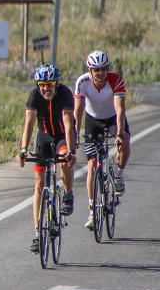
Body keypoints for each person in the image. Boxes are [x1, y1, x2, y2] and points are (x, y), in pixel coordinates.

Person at [18, 65, 76, 253]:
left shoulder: (65, 94)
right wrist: (24, 149)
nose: (46, 88)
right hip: (44, 136)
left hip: (62, 136)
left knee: (64, 159)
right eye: (42, 85)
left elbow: (68, 123)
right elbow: (29, 124)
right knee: (38, 184)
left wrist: (70, 150)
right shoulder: (34, 96)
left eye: (50, 84)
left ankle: (67, 194)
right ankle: (37, 234)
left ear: (56, 84)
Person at [74, 50, 130, 231]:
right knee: (92, 165)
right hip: (93, 120)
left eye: (103, 69)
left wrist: (120, 134)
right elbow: (78, 110)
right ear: (89, 70)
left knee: (126, 144)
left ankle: (118, 176)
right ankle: (92, 211)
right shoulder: (82, 82)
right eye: (96, 70)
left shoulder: (116, 80)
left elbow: (120, 110)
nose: (100, 73)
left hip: (113, 118)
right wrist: (75, 133)